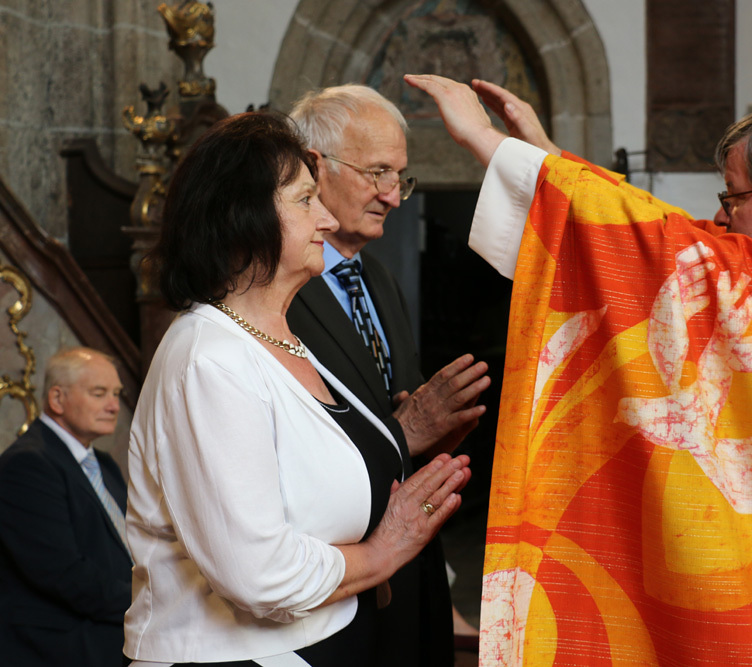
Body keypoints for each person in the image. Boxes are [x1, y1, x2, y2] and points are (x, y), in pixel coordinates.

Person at [405, 74, 752, 665]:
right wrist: (546, 157)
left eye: (734, 198)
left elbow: (661, 245)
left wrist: (483, 139)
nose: (721, 217)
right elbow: (663, 230)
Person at [124, 111, 471, 666]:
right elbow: (260, 574)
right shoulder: (208, 358)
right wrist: (382, 552)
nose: (327, 220)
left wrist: (401, 449)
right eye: (306, 200)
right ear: (244, 217)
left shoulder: (282, 339)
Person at [287, 84, 490, 663]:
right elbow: (295, 445)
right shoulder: (278, 287)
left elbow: (398, 403)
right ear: (314, 167)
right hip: (339, 575)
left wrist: (438, 432)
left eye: (400, 177)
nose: (393, 196)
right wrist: (405, 432)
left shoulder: (374, 276)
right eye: (377, 173)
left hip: (413, 559)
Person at [0, 346, 131, 667]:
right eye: (99, 393)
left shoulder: (103, 463)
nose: (114, 406)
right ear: (57, 399)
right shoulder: (27, 464)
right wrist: (147, 601)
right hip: (63, 648)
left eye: (116, 394)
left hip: (117, 630)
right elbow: (62, 573)